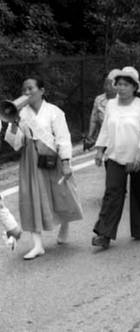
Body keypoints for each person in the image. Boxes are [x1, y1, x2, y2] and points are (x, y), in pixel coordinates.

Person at [4, 77, 83, 259]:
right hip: (31, 159)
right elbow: (16, 143)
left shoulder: (54, 112)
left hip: (52, 157)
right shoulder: (20, 113)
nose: (27, 92)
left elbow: (63, 137)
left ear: (42, 90)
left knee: (62, 193)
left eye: (31, 88)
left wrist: (65, 161)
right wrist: (14, 124)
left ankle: (65, 224)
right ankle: (37, 244)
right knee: (32, 197)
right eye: (24, 89)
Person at [91, 67, 140, 249]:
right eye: (118, 84)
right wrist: (100, 150)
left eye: (125, 84)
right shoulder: (111, 104)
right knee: (112, 193)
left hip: (138, 157)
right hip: (115, 156)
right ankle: (104, 234)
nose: (121, 88)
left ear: (134, 87)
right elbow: (105, 129)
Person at [84, 69, 120, 150]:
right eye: (105, 84)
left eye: (109, 84)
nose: (107, 87)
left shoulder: (124, 100)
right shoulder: (99, 100)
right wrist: (90, 135)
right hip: (105, 138)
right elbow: (94, 119)